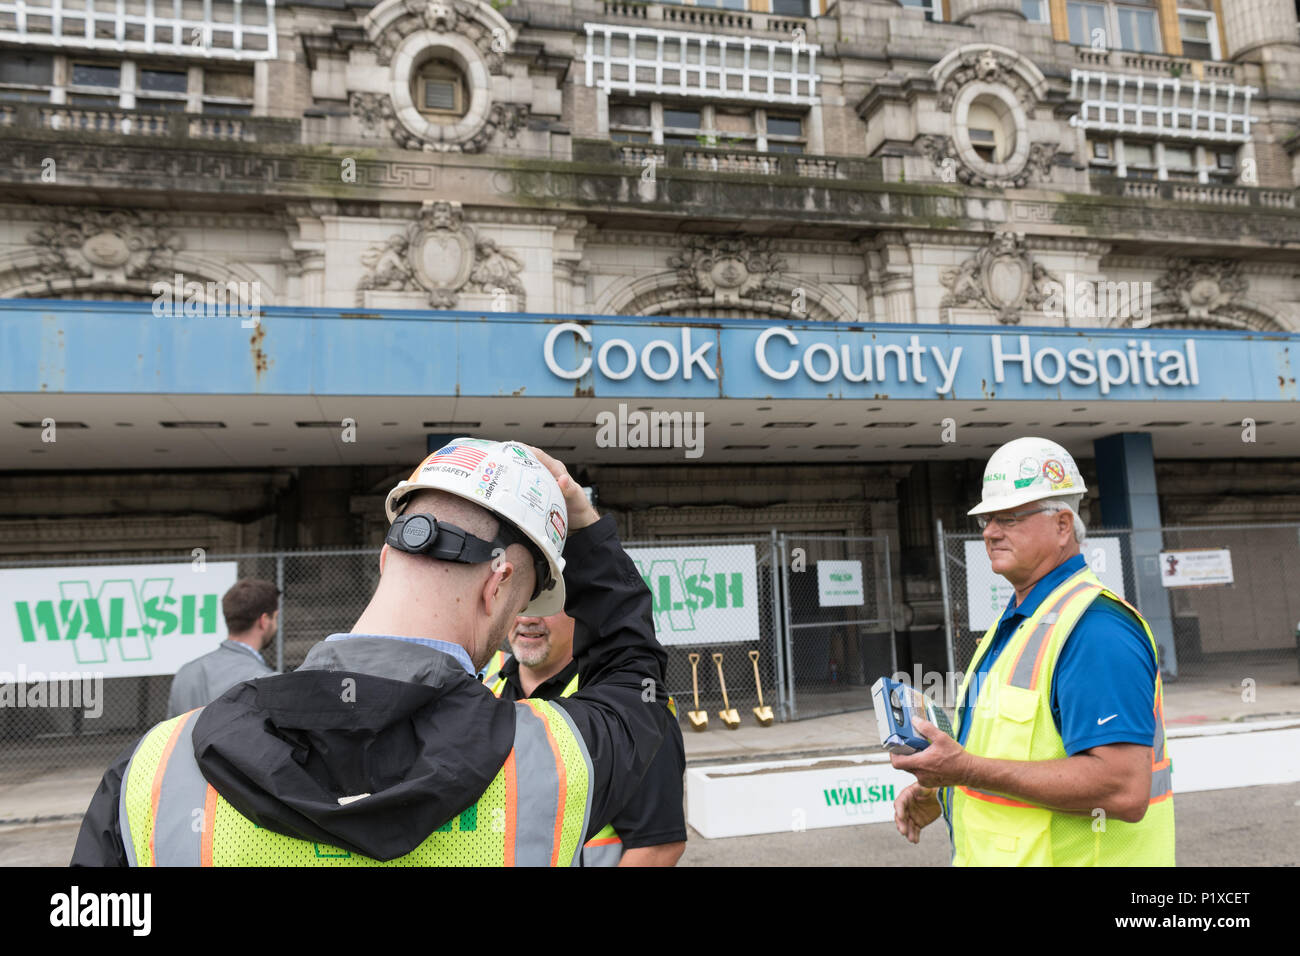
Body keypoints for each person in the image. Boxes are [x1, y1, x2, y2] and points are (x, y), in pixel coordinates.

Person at [71, 439, 673, 866]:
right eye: (522, 601)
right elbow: (633, 668)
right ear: (497, 586)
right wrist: (585, 527)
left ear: (387, 559)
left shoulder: (157, 768)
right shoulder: (553, 760)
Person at [891, 437, 1174, 866]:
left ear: (1062, 525)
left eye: (1008, 517)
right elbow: (1006, 754)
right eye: (987, 519)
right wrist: (945, 787)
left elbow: (1122, 788)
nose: (989, 532)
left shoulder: (1095, 629)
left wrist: (964, 770)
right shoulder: (1021, 622)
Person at [482, 611, 687, 866]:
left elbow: (658, 847)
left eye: (546, 603)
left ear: (578, 610)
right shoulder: (482, 691)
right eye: (523, 604)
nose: (528, 618)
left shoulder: (628, 708)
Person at [165, 578, 279, 718]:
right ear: (264, 621)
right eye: (275, 617)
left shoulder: (186, 673)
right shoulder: (266, 681)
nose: (276, 625)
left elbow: (173, 729)